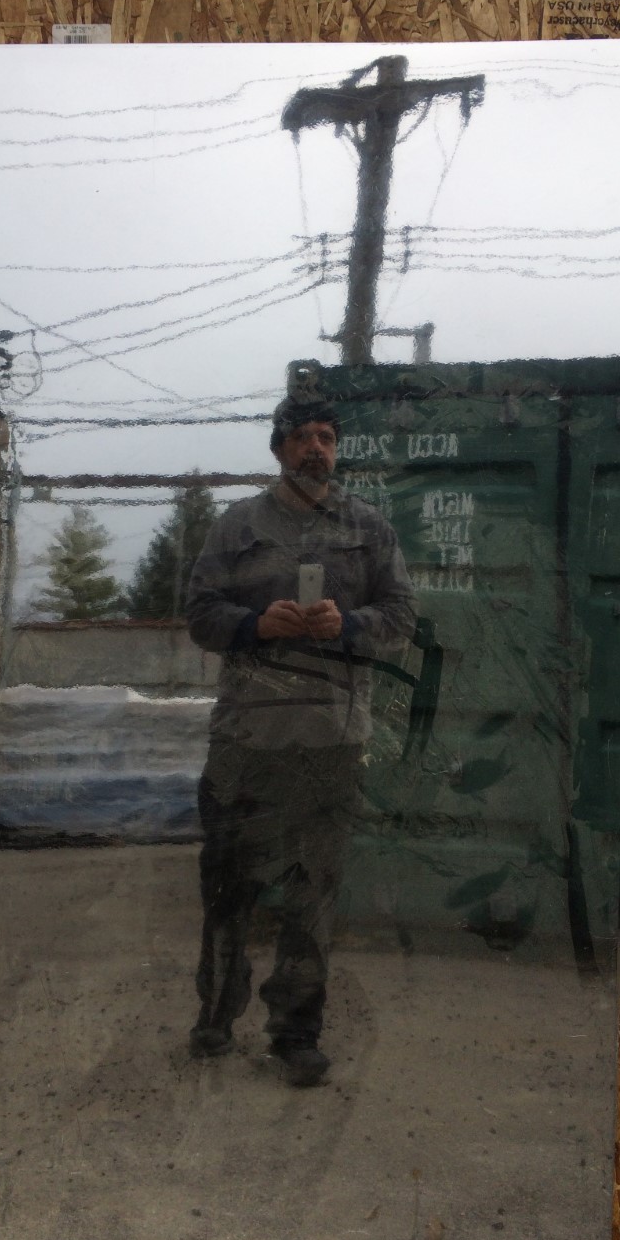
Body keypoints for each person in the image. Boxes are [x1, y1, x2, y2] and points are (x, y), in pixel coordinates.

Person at [185, 394, 416, 1086]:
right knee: (228, 887)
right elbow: (199, 614)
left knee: (312, 895)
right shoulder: (238, 526)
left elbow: (401, 616)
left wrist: (348, 625)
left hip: (329, 741)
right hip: (246, 740)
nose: (316, 447)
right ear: (279, 448)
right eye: (302, 437)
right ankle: (216, 1013)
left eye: (326, 437)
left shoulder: (368, 528)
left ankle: (295, 1033)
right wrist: (257, 625)